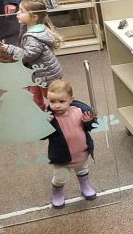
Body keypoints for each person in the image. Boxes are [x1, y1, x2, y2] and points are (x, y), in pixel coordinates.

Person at [41, 79, 97, 208]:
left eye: (62, 101)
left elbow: (91, 127)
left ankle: (85, 186)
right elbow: (42, 136)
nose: (57, 105)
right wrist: (45, 124)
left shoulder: (78, 111)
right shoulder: (50, 118)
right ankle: (57, 193)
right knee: (60, 177)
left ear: (71, 99)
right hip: (62, 157)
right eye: (52, 101)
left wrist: (88, 121)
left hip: (81, 152)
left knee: (82, 170)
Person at [2, 0, 65, 108]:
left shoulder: (33, 37)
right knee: (33, 96)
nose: (17, 13)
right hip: (38, 73)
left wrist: (9, 49)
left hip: (46, 76)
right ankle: (38, 112)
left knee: (54, 99)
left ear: (34, 17)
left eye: (21, 11)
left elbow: (28, 54)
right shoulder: (34, 28)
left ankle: (63, 117)